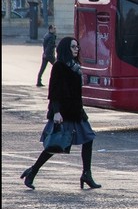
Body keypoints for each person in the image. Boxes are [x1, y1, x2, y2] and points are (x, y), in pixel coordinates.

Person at [21, 37, 101, 190]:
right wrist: (56, 112)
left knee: (88, 139)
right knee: (55, 145)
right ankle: (32, 171)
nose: (76, 49)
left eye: (77, 46)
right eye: (73, 47)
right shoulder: (59, 66)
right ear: (66, 48)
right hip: (63, 112)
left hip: (76, 111)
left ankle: (86, 174)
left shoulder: (75, 66)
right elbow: (54, 91)